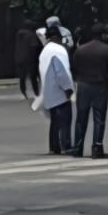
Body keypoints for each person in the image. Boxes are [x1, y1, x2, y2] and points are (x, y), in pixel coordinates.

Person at [71, 22, 108, 158]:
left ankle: (77, 148)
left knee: (81, 118)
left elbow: (74, 69)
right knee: (99, 118)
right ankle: (97, 147)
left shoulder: (80, 50)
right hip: (100, 85)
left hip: (83, 85)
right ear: (102, 34)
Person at [33, 25, 74, 154]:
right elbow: (61, 72)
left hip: (48, 92)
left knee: (55, 122)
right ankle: (66, 146)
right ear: (56, 36)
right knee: (65, 120)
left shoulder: (44, 51)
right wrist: (68, 88)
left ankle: (53, 147)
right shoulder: (58, 50)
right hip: (60, 91)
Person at [14, 24, 41, 100]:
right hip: (29, 59)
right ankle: (36, 93)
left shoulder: (18, 35)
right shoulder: (31, 35)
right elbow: (34, 47)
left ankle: (24, 92)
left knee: (22, 77)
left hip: (19, 58)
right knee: (33, 77)